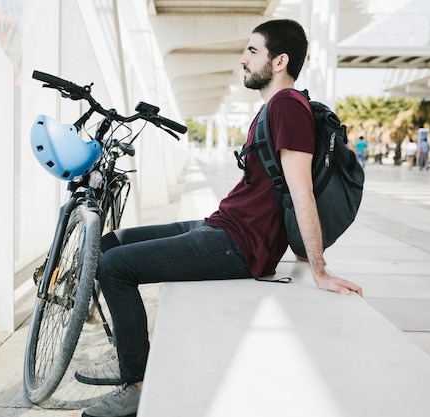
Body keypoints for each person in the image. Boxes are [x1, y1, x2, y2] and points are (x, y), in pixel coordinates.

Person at [78, 19, 363, 417]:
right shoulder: (275, 107)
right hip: (221, 225)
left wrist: (319, 269)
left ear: (279, 61)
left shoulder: (287, 108)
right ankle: (128, 353)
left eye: (252, 51)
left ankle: (137, 384)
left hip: (238, 246)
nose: (243, 59)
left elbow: (302, 192)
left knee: (114, 266)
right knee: (111, 242)